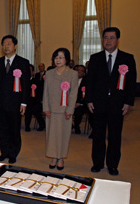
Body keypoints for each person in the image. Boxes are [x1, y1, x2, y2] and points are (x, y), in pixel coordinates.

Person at [86, 27, 137, 176]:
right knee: (98, 135)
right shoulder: (95, 58)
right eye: (105, 38)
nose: (108, 41)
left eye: (111, 38)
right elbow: (90, 82)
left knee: (115, 136)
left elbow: (131, 83)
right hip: (98, 103)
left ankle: (112, 164)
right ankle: (97, 163)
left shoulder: (127, 58)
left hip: (118, 104)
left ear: (117, 40)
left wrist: (128, 102)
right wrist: (89, 99)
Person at [0, 35, 30, 164]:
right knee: (2, 129)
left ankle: (13, 153)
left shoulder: (23, 62)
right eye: (3, 44)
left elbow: (25, 85)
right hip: (0, 103)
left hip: (15, 103)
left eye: (9, 43)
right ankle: (4, 152)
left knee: (14, 129)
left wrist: (24, 102)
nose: (6, 46)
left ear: (15, 46)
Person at [43, 48, 78, 170]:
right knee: (51, 134)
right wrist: (46, 107)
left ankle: (61, 157)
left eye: (61, 57)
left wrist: (70, 110)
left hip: (65, 111)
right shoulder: (49, 73)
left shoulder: (73, 74)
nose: (58, 60)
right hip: (52, 110)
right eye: (56, 57)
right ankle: (53, 156)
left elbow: (73, 93)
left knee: (64, 134)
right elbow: (45, 92)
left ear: (66, 59)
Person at [25, 64, 45, 132]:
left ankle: (42, 124)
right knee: (27, 108)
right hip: (26, 102)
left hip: (35, 102)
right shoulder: (23, 81)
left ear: (33, 72)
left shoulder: (37, 81)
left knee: (35, 109)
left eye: (30, 71)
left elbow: (40, 93)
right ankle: (27, 126)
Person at [73, 65, 87, 134]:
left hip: (81, 103)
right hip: (70, 102)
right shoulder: (70, 80)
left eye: (81, 71)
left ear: (84, 73)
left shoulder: (86, 82)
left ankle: (76, 126)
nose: (79, 72)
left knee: (78, 112)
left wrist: (79, 103)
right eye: (78, 70)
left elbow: (87, 95)